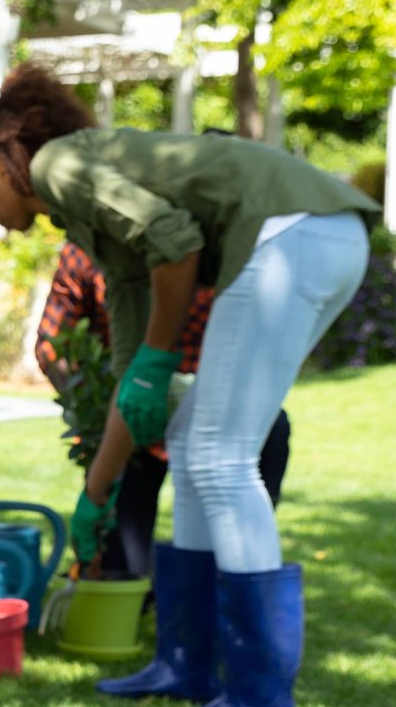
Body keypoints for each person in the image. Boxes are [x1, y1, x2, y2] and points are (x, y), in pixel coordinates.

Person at [0, 67, 376, 707]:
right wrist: (98, 492)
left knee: (219, 456)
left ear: (4, 159)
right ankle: (188, 663)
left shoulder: (60, 163)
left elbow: (177, 245)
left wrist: (156, 357)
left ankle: (259, 698)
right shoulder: (85, 216)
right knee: (193, 443)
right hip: (315, 236)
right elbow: (133, 377)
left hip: (293, 234)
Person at [32, 241, 292, 595]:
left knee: (274, 430)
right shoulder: (85, 247)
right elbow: (52, 343)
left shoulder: (206, 243)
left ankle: (232, 576)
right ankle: (141, 586)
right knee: (124, 578)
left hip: (208, 407)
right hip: (130, 419)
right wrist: (91, 410)